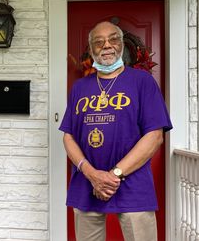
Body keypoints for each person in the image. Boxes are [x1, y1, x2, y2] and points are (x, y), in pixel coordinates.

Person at [59, 21, 173, 241]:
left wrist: (113, 175)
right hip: (87, 184)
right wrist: (92, 175)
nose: (106, 45)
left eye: (113, 39)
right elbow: (68, 136)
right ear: (91, 49)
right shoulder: (80, 87)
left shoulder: (142, 82)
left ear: (122, 45)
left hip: (133, 185)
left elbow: (155, 136)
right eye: (98, 41)